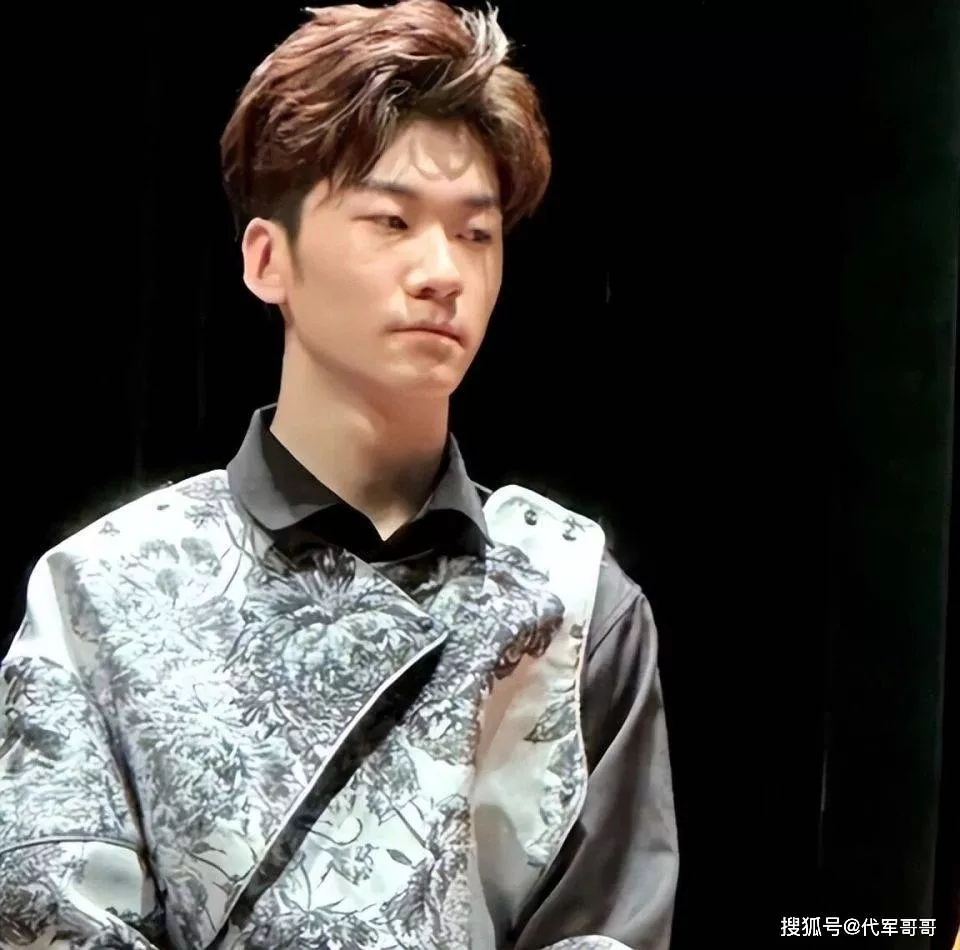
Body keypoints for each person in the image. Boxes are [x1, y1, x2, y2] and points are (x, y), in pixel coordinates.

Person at [0, 2, 678, 947]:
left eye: (476, 235)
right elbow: (53, 920)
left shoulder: (574, 601)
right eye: (391, 221)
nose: (442, 272)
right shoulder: (104, 591)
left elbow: (606, 930)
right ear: (267, 259)